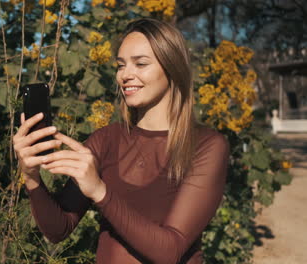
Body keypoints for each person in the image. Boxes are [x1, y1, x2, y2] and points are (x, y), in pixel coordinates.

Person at [13, 18, 229, 264]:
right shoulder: (105, 140)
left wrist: (99, 191)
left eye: (141, 63)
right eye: (121, 65)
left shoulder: (207, 145)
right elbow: (58, 229)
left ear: (173, 67)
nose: (126, 75)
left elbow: (170, 251)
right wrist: (31, 177)